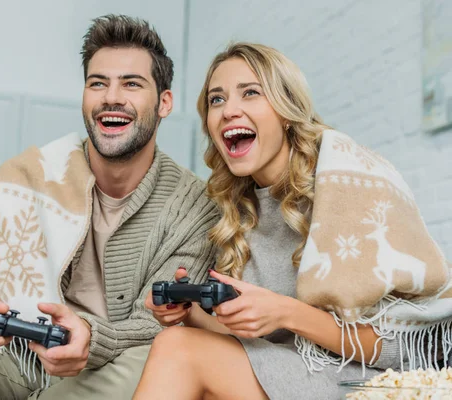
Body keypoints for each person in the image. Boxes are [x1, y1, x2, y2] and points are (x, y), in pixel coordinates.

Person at [0, 15, 218, 400]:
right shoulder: (31, 175)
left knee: (157, 358)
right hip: (17, 362)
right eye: (97, 83)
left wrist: (92, 338)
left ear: (164, 102)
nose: (111, 97)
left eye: (132, 84)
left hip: (107, 374)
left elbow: (156, 325)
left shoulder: (195, 208)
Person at [133, 42, 452, 399]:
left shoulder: (345, 183)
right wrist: (189, 315)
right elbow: (257, 349)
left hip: (362, 376)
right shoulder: (242, 206)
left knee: (178, 350)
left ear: (286, 111)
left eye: (250, 93)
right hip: (293, 372)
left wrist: (286, 313)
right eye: (216, 99)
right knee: (180, 344)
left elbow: (410, 347)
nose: (228, 111)